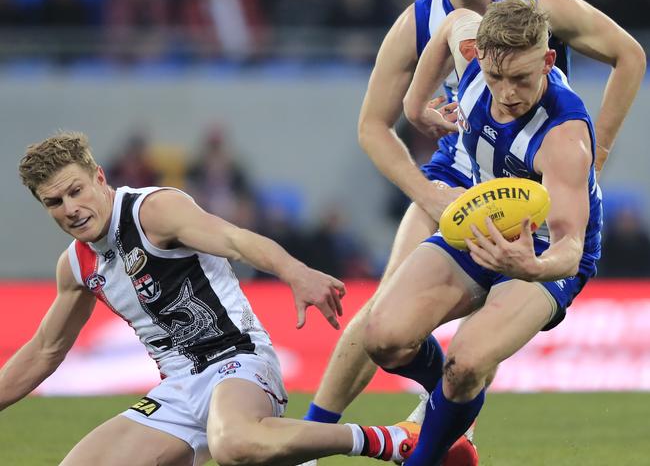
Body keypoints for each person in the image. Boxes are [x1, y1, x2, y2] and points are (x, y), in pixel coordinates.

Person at [303, 0, 644, 442]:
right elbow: (372, 127)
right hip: (460, 175)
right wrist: (426, 190)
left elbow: (631, 55)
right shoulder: (421, 21)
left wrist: (595, 158)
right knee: (384, 317)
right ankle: (315, 437)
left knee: (479, 341)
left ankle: (442, 415)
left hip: (530, 181)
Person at [0, 132, 421, 466]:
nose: (70, 208)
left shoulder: (154, 211)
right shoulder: (76, 265)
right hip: (178, 390)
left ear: (99, 178)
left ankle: (393, 439)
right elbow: (45, 350)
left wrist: (297, 272)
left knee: (233, 444)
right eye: (54, 202)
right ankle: (284, 455)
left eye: (75, 191)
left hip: (238, 361)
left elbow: (234, 240)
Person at [364, 0, 603, 464]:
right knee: (382, 338)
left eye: (521, 78)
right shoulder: (473, 57)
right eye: (496, 77)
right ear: (480, 58)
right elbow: (454, 22)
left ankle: (426, 452)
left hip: (539, 251)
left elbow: (570, 248)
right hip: (483, 225)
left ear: (549, 60)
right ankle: (456, 411)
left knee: (468, 362)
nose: (508, 92)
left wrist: (530, 265)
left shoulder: (564, 136)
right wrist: (416, 106)